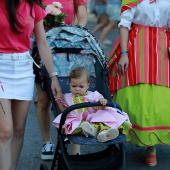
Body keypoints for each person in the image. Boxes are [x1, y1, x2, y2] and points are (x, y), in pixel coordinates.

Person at [107, 0, 170, 167]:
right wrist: (124, 54)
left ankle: (152, 146)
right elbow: (124, 25)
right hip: (137, 47)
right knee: (136, 96)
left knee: (160, 97)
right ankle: (125, 138)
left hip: (162, 48)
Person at [0, 0, 62, 169]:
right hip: (1, 69)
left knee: (19, 129)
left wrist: (53, 76)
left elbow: (42, 43)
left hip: (24, 69)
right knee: (5, 131)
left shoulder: (33, 7)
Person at [33, 0, 88, 160]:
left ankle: (75, 148)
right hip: (43, 47)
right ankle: (47, 141)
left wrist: (72, 32)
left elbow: (82, 18)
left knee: (75, 96)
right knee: (43, 99)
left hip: (68, 47)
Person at [53, 67, 130, 143]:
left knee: (103, 118)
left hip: (93, 118)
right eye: (74, 86)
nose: (77, 89)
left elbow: (101, 108)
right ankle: (92, 131)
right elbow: (64, 111)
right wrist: (59, 103)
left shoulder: (93, 95)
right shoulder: (67, 97)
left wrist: (102, 101)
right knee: (74, 125)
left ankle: (104, 133)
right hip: (79, 121)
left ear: (88, 85)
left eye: (81, 86)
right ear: (69, 84)